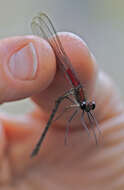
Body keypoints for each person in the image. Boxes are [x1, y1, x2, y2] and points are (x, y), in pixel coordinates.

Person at [0, 32, 123, 189]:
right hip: (64, 90)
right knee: (68, 49)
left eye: (90, 106)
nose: (89, 107)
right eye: (90, 106)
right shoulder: (79, 96)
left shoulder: (83, 105)